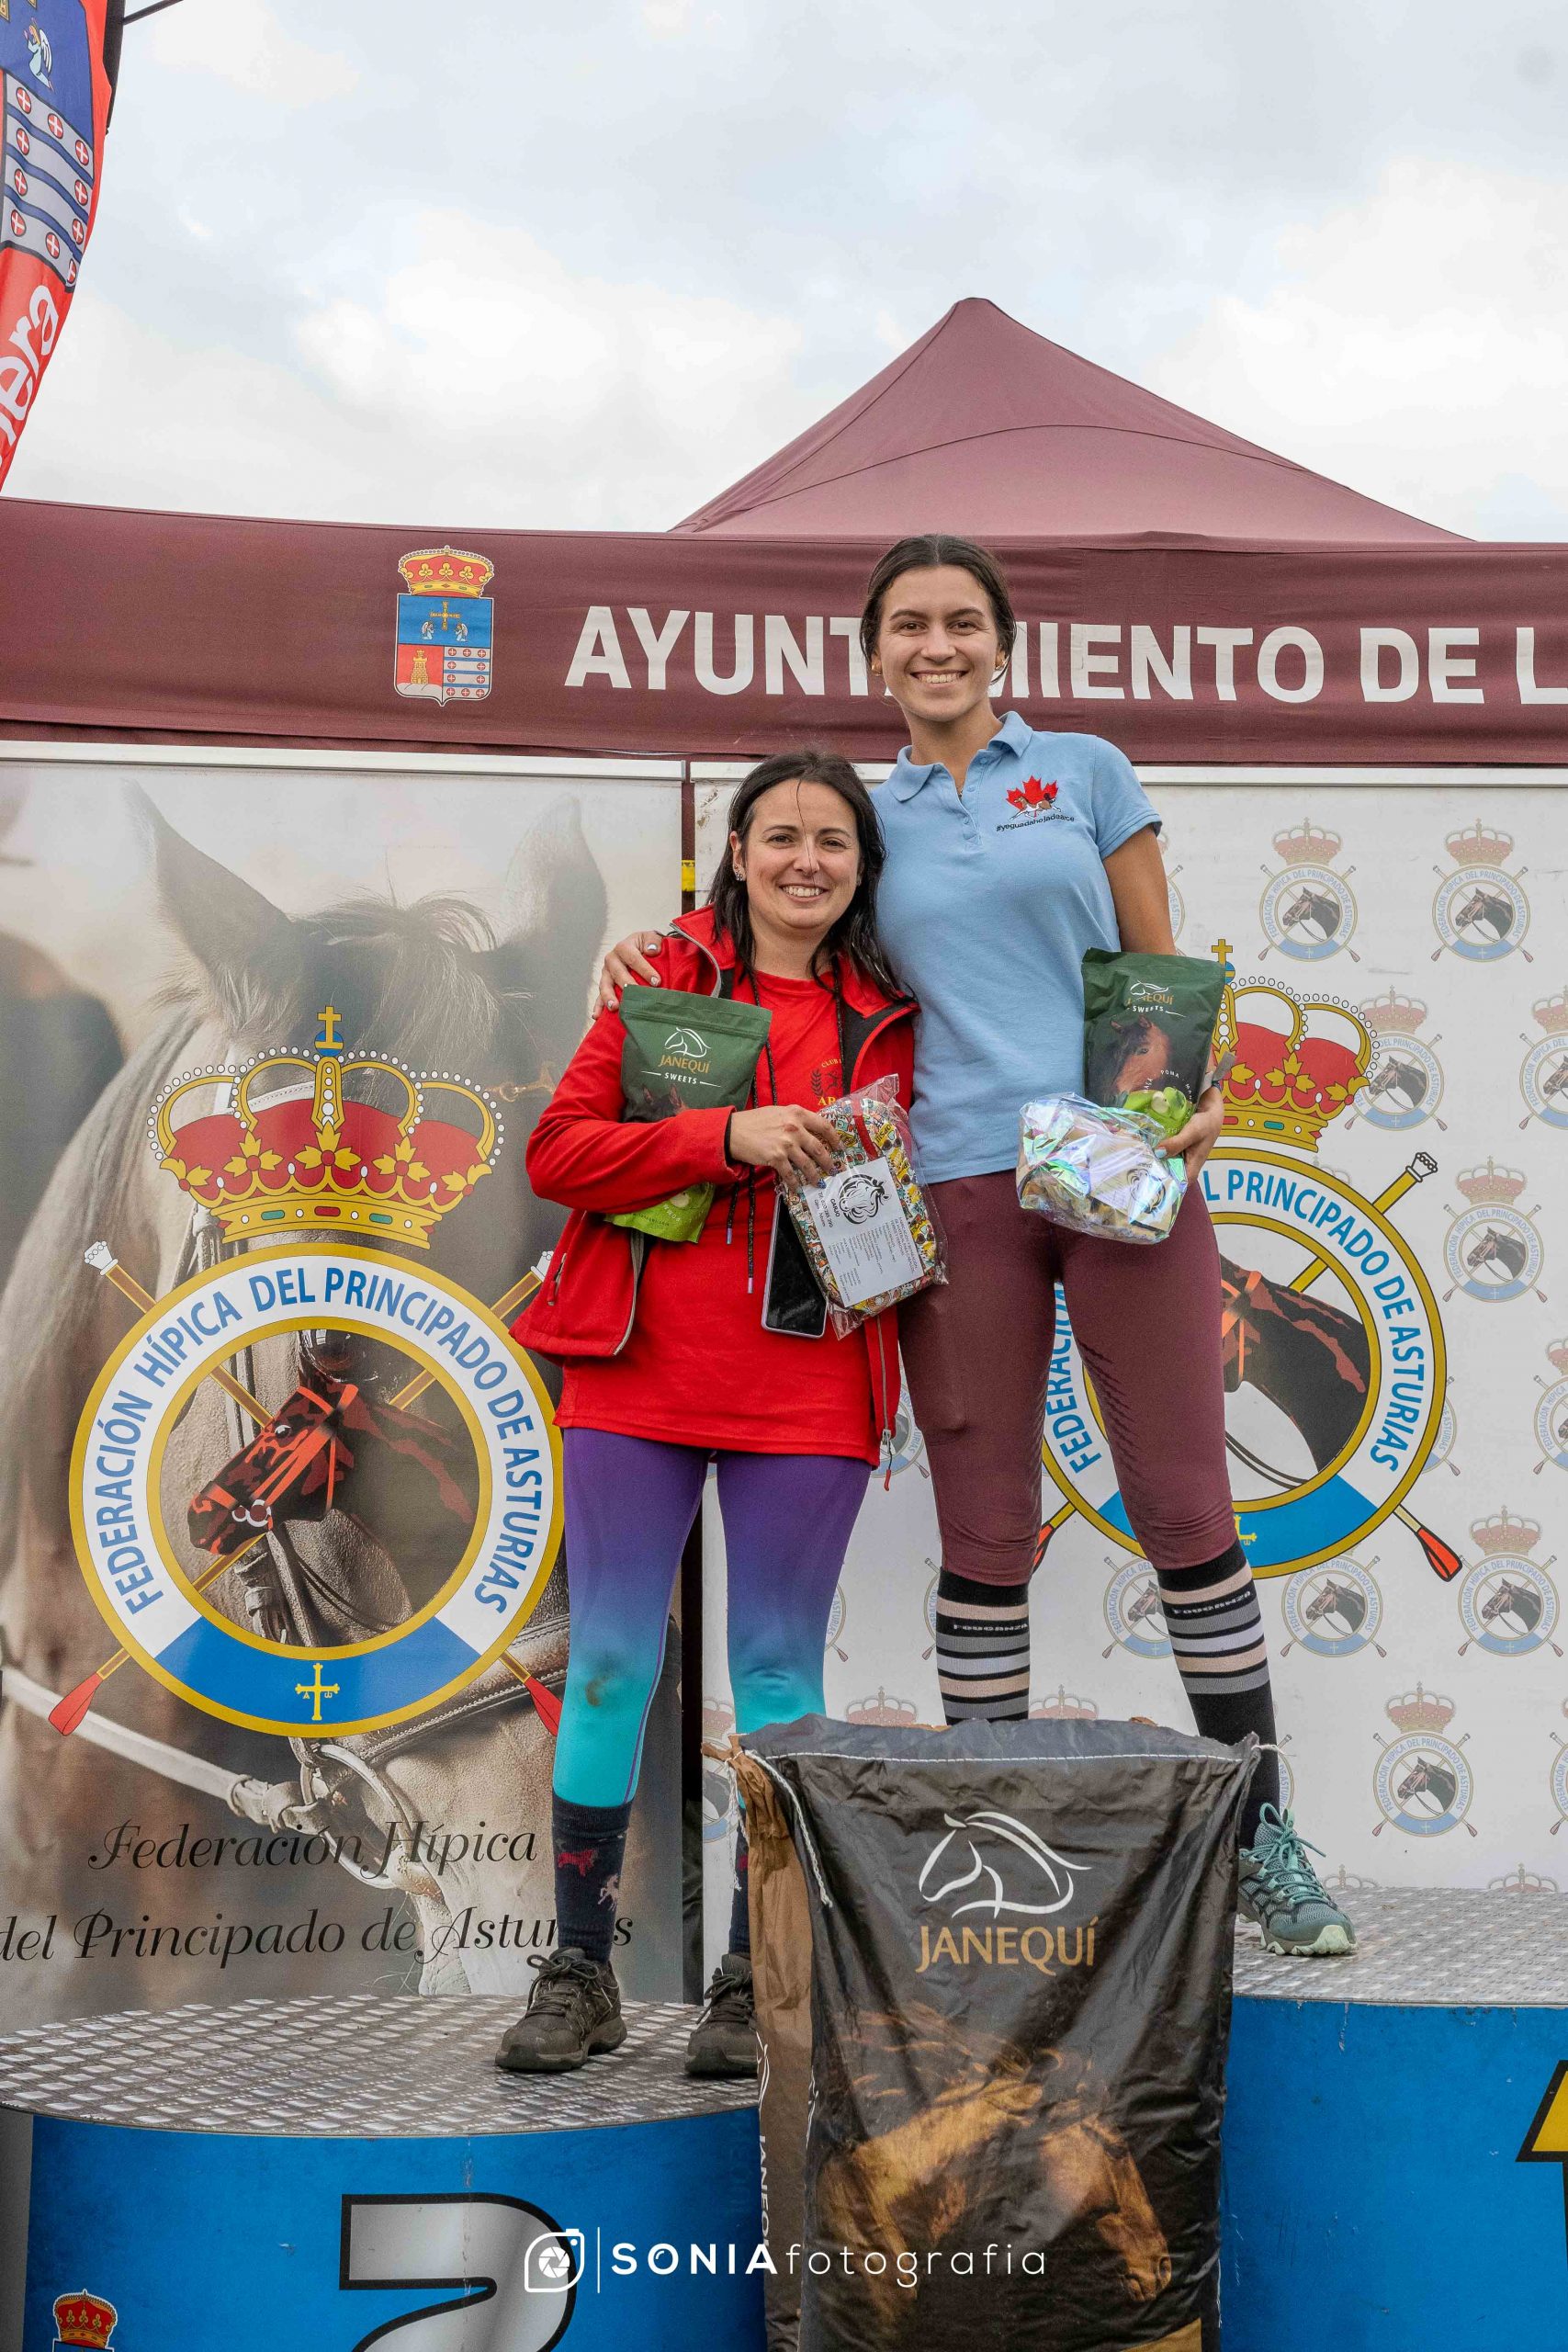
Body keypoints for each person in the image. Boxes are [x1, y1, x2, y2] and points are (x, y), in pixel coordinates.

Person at [598, 536, 1356, 1962]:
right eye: (908, 627)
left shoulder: (1083, 770)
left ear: (1002, 644)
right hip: (949, 1185)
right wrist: (638, 960)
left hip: (1114, 1162)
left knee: (1189, 1508)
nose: (936, 645)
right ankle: (997, 1851)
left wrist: (1189, 1100)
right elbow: (760, 935)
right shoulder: (864, 822)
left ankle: (1267, 1837)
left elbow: (1159, 969)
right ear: (871, 655)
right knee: (986, 1529)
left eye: (961, 622)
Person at [497, 750, 915, 2077]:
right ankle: (578, 1972)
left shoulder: (904, 1014)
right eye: (779, 834)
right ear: (735, 851)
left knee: (780, 1683)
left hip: (813, 1372)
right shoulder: (657, 979)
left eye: (833, 842)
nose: (805, 860)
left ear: (862, 868)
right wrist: (719, 1139)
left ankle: (752, 1977)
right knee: (612, 1664)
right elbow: (557, 1155)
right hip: (639, 1364)